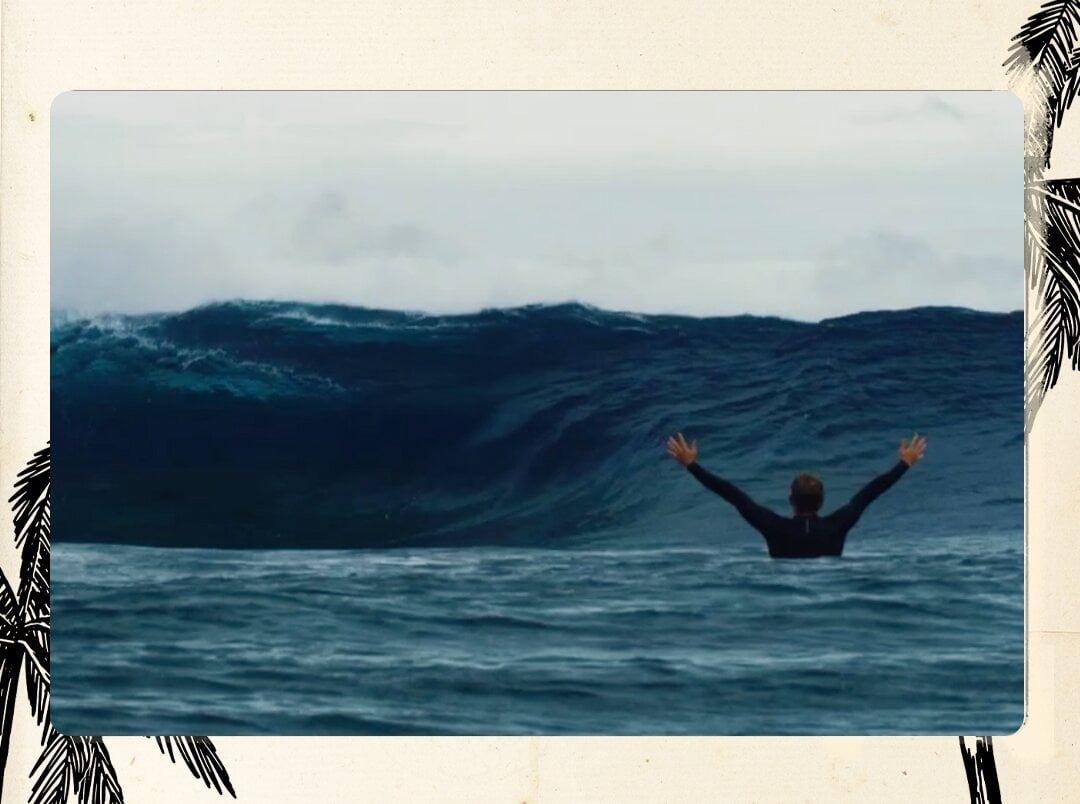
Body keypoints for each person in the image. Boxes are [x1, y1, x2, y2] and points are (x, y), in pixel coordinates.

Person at [665, 432, 927, 558]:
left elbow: (733, 495)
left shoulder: (774, 527)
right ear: (822, 501)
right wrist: (905, 463)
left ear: (790, 500)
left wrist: (691, 465)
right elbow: (871, 492)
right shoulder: (837, 525)